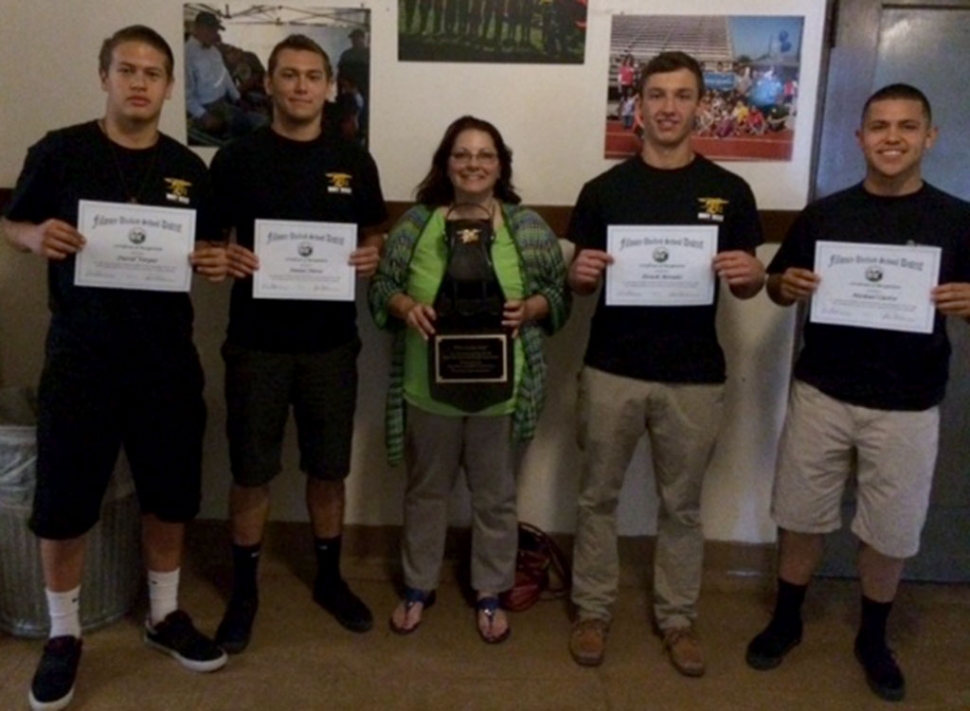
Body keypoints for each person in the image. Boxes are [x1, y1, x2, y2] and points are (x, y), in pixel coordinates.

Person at [0, 24, 229, 711]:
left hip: (164, 357)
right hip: (82, 353)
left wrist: (216, 263)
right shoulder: (61, 152)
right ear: (104, 76)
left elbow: (212, 253)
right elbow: (14, 223)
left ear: (166, 85)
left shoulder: (191, 170)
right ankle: (64, 634)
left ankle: (163, 614)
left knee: (170, 491)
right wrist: (33, 235)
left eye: (153, 72)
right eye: (126, 69)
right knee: (64, 500)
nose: (139, 82)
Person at [745, 83, 970, 703]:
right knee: (800, 512)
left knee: (890, 530)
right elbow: (776, 284)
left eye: (905, 126)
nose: (891, 137)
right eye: (878, 126)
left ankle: (873, 636)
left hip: (910, 401)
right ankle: (786, 619)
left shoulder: (958, 218)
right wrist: (784, 286)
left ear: (930, 137)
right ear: (860, 137)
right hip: (824, 391)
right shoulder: (826, 213)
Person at [566, 51, 765, 674]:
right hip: (611, 370)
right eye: (657, 95)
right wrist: (577, 275)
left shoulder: (730, 193)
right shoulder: (603, 192)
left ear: (700, 105)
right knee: (596, 498)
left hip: (694, 376)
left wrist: (755, 275)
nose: (669, 107)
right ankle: (593, 610)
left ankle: (677, 619)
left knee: (682, 506)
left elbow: (746, 288)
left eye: (682, 95)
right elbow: (581, 286)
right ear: (639, 105)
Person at [208, 34, 388, 654]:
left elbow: (374, 239)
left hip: (331, 346)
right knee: (251, 470)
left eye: (314, 76)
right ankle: (246, 587)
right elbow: (206, 245)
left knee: (328, 468)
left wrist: (373, 254)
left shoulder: (354, 162)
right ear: (271, 83)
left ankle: (331, 579)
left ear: (330, 86)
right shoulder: (236, 159)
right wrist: (220, 255)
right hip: (256, 343)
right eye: (289, 75)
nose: (302, 87)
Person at [369, 115, 569, 643]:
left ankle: (490, 592)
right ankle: (417, 587)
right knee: (425, 491)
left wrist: (530, 307)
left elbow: (560, 294)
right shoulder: (416, 224)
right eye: (462, 154)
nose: (473, 164)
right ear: (446, 162)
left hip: (502, 394)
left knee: (495, 497)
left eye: (485, 154)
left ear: (500, 165)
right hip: (426, 389)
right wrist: (406, 305)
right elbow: (381, 286)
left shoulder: (527, 227)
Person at [184, 11, 246, 140]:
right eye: (211, 30)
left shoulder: (214, 51)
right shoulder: (186, 54)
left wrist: (237, 97)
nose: (216, 35)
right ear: (198, 28)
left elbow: (225, 76)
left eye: (216, 30)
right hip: (204, 110)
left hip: (222, 103)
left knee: (244, 124)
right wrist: (204, 116)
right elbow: (185, 94)